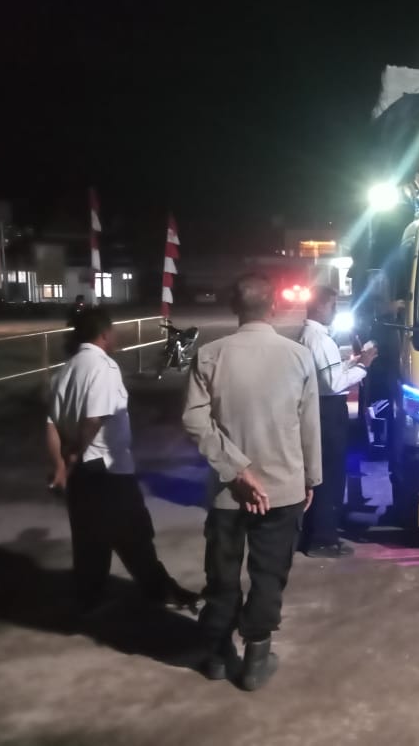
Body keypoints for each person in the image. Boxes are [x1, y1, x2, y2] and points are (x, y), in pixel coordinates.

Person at [183, 274, 322, 690]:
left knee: (223, 573)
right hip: (282, 490)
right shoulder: (298, 356)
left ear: (234, 307)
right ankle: (256, 660)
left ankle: (217, 654)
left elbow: (195, 420)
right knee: (269, 574)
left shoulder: (210, 355)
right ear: (274, 307)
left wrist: (236, 469)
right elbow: (309, 427)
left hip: (228, 493)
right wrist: (311, 478)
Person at [45, 307, 199, 616]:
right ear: (104, 335)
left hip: (82, 473)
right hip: (107, 469)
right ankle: (160, 591)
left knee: (89, 539)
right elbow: (94, 419)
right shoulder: (103, 367)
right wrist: (75, 453)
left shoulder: (65, 370)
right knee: (136, 534)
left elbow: (51, 425)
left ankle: (89, 598)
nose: (115, 337)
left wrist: (61, 466)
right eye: (113, 332)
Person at [298, 286, 377, 558]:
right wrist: (363, 366)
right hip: (328, 411)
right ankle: (322, 539)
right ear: (320, 306)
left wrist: (352, 362)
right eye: (333, 305)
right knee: (330, 476)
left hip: (319, 408)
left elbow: (329, 373)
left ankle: (314, 533)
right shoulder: (320, 340)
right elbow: (333, 383)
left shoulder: (311, 336)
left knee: (320, 473)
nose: (335, 311)